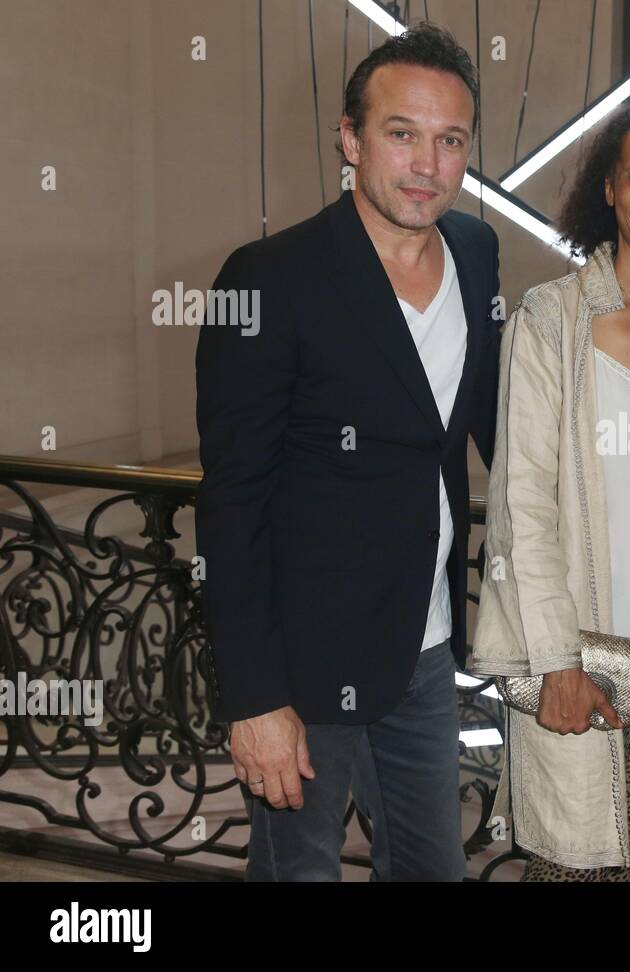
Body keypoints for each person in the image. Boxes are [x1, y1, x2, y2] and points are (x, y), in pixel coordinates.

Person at [195, 24, 500, 881]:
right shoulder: (262, 278)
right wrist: (254, 698)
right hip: (305, 658)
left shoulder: (477, 256)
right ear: (350, 138)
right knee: (300, 872)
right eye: (401, 134)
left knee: (432, 867)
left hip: (428, 643)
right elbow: (232, 501)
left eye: (449, 142)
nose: (426, 164)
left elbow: (492, 423)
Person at [469, 101, 630, 880]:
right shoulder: (554, 317)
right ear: (608, 188)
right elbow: (521, 505)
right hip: (582, 646)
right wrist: (555, 662)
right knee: (571, 865)